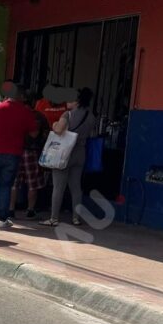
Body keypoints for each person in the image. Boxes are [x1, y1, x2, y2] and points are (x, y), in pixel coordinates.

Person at [0, 81, 38, 229]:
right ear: (21, 96)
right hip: (13, 154)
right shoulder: (26, 112)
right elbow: (34, 133)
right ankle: (2, 219)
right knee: (5, 186)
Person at [41, 87, 97, 227]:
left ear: (77, 101)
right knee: (76, 187)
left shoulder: (68, 114)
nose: (66, 101)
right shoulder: (91, 116)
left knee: (58, 187)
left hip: (64, 153)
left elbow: (59, 130)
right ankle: (76, 218)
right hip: (80, 153)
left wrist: (55, 124)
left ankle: (54, 218)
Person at [11, 92, 50, 219]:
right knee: (32, 183)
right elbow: (37, 134)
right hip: (31, 152)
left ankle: (11, 209)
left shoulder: (14, 114)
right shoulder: (38, 116)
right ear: (33, 102)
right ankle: (30, 210)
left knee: (14, 182)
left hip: (15, 150)